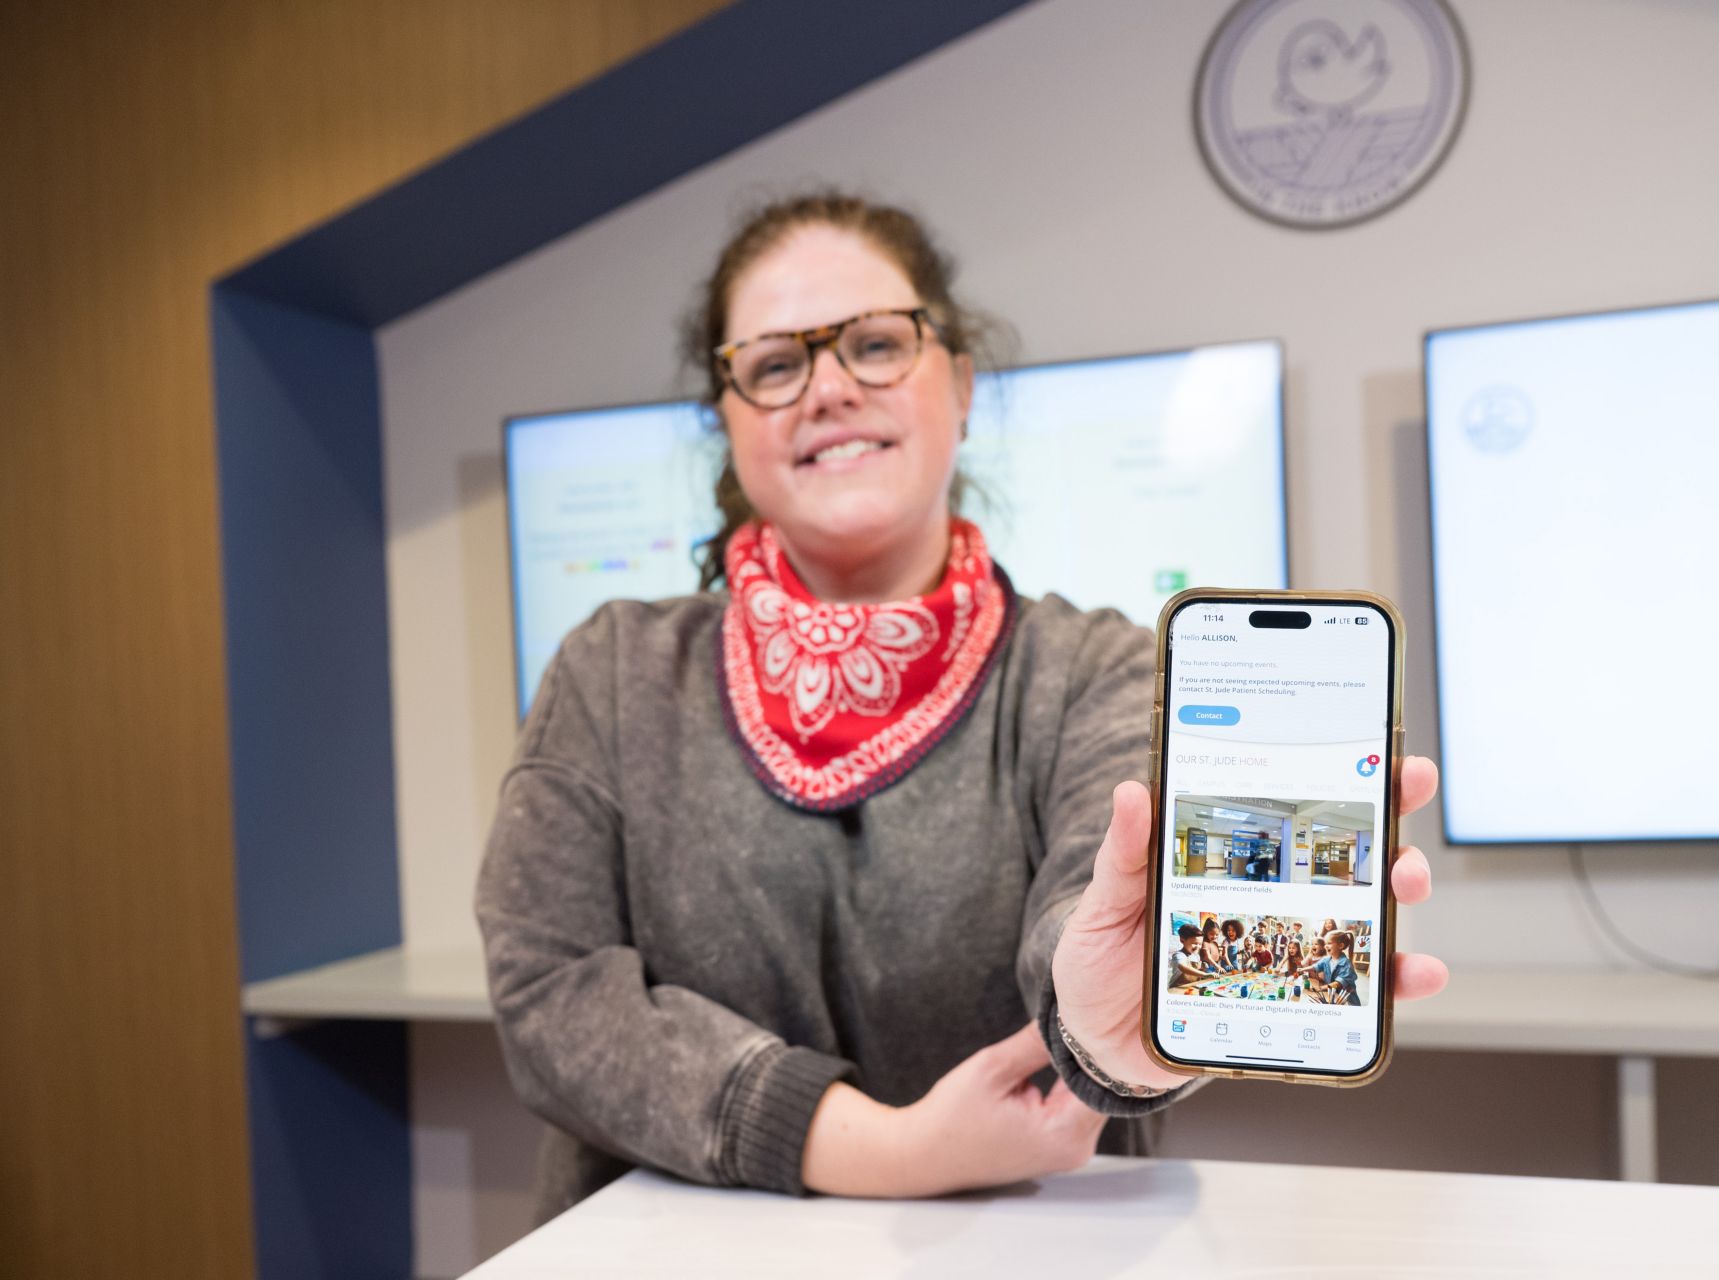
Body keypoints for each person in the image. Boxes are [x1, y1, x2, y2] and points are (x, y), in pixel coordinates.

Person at [475, 191, 1448, 1220]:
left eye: (876, 344)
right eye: (774, 365)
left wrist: (1116, 1025)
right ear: (727, 419)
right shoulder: (614, 670)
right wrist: (886, 1149)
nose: (829, 388)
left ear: (963, 385)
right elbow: (552, 995)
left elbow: (1091, 903)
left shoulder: (1098, 671)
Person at [1167, 925, 1209, 990]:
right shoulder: (1178, 955)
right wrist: (1204, 974)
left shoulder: (1196, 956)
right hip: (1177, 988)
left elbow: (1195, 971)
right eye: (1195, 943)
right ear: (1182, 940)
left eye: (1200, 944)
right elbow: (1183, 967)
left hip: (1191, 987)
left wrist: (1202, 967)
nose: (1198, 947)